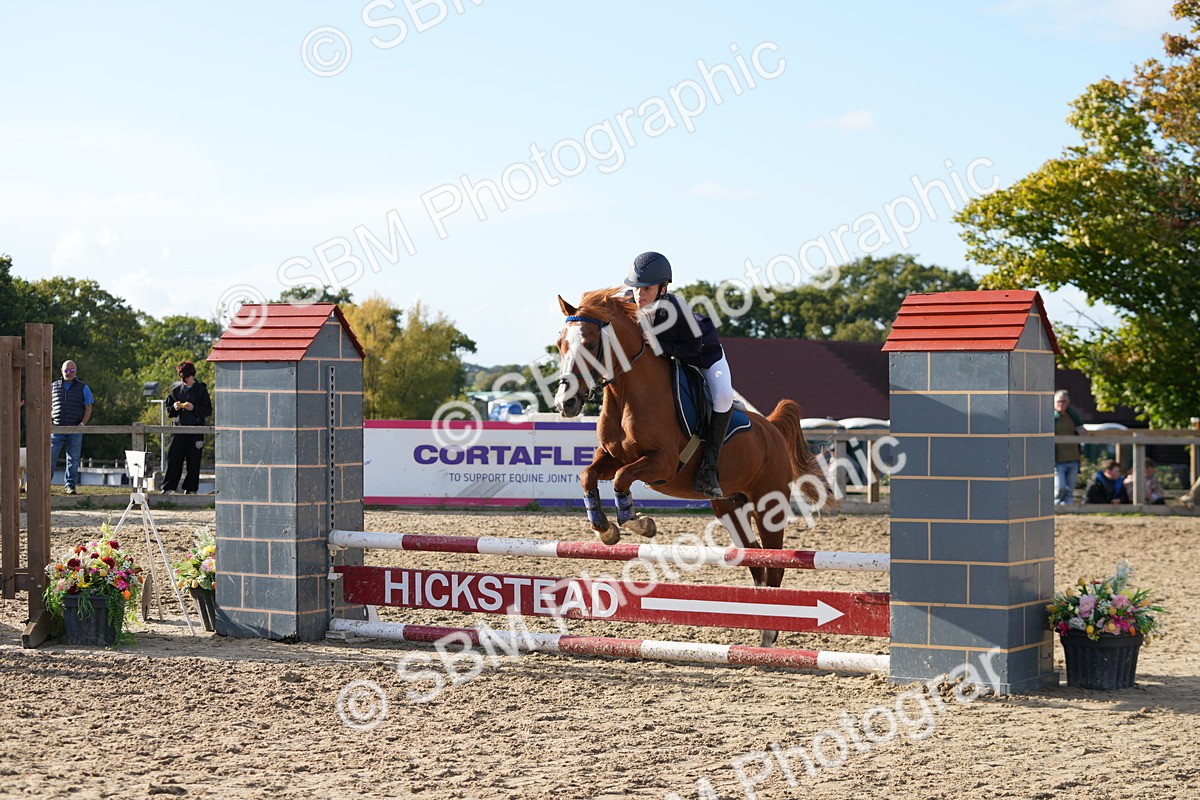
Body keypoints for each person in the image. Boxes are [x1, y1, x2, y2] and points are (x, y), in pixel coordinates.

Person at [624, 251, 733, 498]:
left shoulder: (677, 310)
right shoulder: (628, 302)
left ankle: (709, 468)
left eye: (647, 289)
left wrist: (658, 345)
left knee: (724, 397)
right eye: (636, 288)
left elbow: (692, 349)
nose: (639, 294)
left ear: (663, 289)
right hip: (669, 359)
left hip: (704, 357)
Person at [160, 360, 212, 495]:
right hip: (178, 430)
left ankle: (191, 489)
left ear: (192, 375)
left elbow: (208, 410)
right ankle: (168, 488)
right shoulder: (176, 391)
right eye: (182, 378)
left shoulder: (201, 390)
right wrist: (175, 408)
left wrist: (194, 408)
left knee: (193, 461)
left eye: (186, 378)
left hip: (196, 431)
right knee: (173, 458)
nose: (184, 381)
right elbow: (169, 411)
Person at [49, 359, 93, 495]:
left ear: (76, 371)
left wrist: (82, 424)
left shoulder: (83, 387)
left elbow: (88, 407)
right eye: (66, 370)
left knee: (73, 459)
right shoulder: (53, 386)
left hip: (75, 428)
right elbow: (46, 406)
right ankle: (45, 485)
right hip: (56, 428)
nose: (69, 373)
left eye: (71, 370)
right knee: (50, 458)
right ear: (61, 371)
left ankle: (70, 486)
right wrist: (49, 422)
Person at [1053, 390, 1084, 505]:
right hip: (1058, 460)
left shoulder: (1072, 416)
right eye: (1058, 401)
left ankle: (1069, 510)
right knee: (1060, 488)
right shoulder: (1051, 418)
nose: (1061, 404)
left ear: (1068, 402)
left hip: (1073, 457)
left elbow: (1082, 431)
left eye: (1064, 401)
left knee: (1070, 489)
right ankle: (1056, 508)